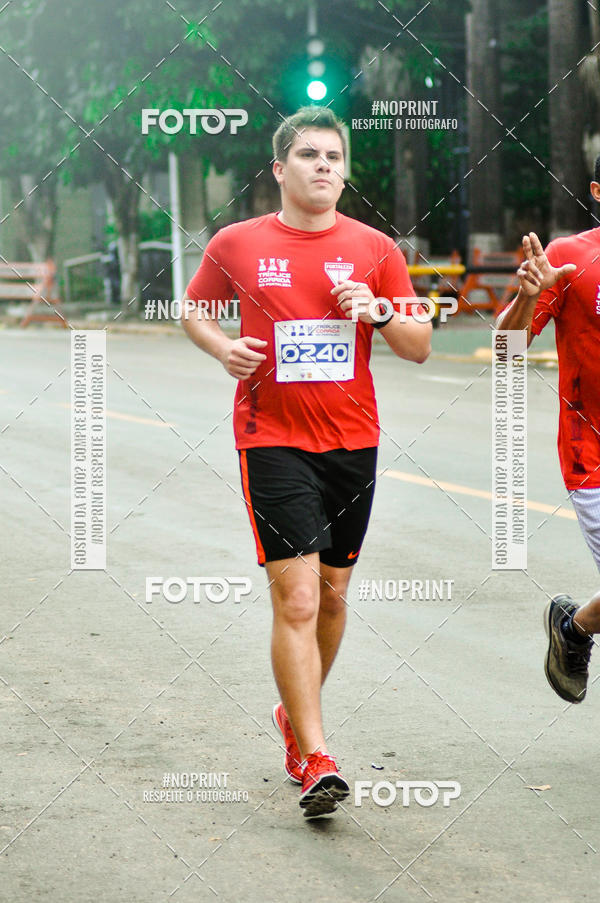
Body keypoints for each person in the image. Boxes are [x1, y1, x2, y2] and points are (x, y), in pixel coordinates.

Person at [181, 106, 431, 818]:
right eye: (310, 155)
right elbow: (194, 308)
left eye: (334, 157)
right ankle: (317, 753)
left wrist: (378, 311)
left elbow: (418, 344)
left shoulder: (376, 248)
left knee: (330, 595)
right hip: (273, 440)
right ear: (279, 169)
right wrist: (221, 347)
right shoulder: (236, 243)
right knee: (294, 597)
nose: (325, 166)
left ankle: (295, 712)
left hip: (353, 442)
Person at [497, 160, 600, 704]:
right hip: (593, 454)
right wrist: (529, 295)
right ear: (597, 191)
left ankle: (575, 627)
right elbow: (505, 347)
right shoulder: (569, 257)